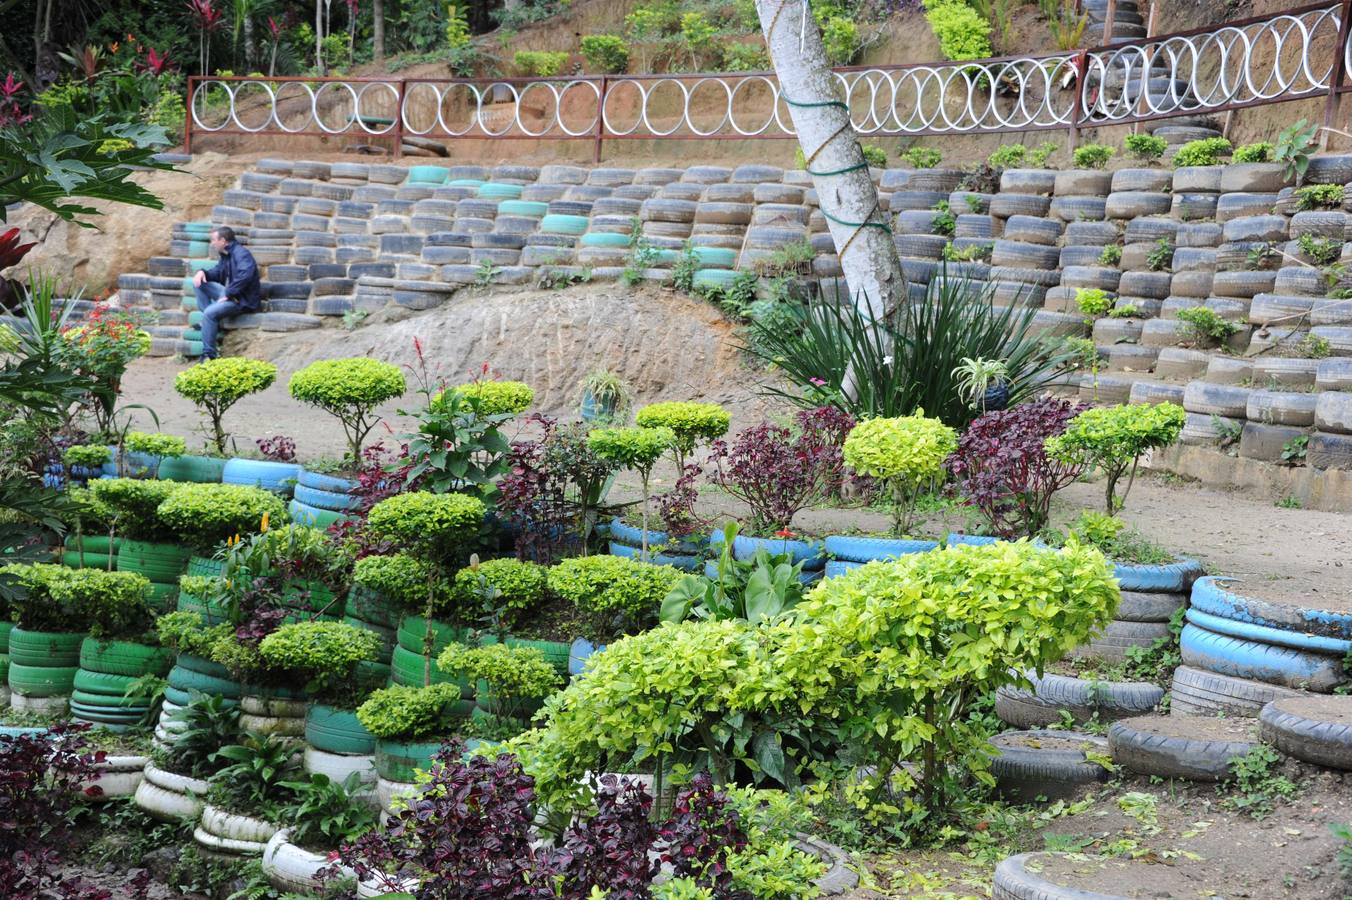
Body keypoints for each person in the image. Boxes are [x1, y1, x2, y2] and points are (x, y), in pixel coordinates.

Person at [192, 226, 262, 360]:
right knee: (198, 282)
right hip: (230, 295)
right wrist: (202, 272)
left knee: (209, 313)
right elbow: (218, 273)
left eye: (213, 240)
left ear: (223, 240)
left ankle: (209, 355)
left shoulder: (242, 254)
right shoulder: (226, 255)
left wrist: (228, 293)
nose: (212, 243)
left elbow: (245, 276)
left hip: (242, 301)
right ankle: (210, 323)